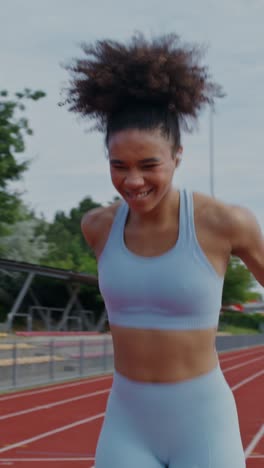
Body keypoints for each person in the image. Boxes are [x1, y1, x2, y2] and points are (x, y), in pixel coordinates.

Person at [64, 33, 264, 468]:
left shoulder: (225, 222)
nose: (133, 181)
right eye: (119, 166)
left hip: (203, 424)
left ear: (177, 155)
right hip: (127, 422)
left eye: (149, 165)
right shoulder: (97, 227)